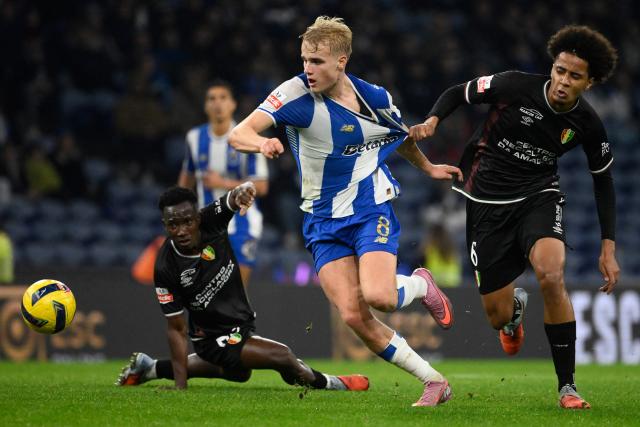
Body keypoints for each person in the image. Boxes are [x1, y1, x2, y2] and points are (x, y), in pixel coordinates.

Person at [229, 16, 463, 407]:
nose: (308, 69)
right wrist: (261, 145)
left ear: (342, 61)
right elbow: (241, 133)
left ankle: (421, 284)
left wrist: (429, 167)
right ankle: (435, 382)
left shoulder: (375, 98)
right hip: (321, 220)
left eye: (317, 61)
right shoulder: (293, 94)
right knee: (354, 316)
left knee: (379, 296)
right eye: (304, 59)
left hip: (370, 205)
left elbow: (397, 136)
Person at [410, 25, 620, 409]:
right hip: (486, 202)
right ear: (552, 68)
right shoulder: (513, 86)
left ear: (589, 83)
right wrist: (433, 120)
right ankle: (513, 315)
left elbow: (603, 182)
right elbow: (458, 93)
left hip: (538, 197)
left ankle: (567, 387)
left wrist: (608, 247)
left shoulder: (588, 124)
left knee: (552, 274)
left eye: (574, 76)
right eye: (559, 70)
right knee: (496, 316)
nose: (562, 81)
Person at [117, 185, 368, 392]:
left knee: (239, 374)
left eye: (187, 222)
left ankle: (150, 368)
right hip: (210, 337)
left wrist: (243, 192)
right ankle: (332, 383)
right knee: (281, 356)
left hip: (240, 323)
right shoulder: (165, 266)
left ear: (197, 217)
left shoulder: (211, 222)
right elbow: (176, 328)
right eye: (173, 225)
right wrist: (180, 386)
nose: (181, 231)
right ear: (164, 224)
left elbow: (232, 197)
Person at [179, 81, 268, 288]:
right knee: (206, 293)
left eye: (223, 98)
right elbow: (187, 177)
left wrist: (223, 183)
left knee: (236, 291)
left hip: (242, 224)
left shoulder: (249, 138)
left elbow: (261, 186)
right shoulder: (194, 138)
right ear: (205, 106)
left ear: (233, 104)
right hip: (207, 225)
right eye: (212, 98)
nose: (217, 103)